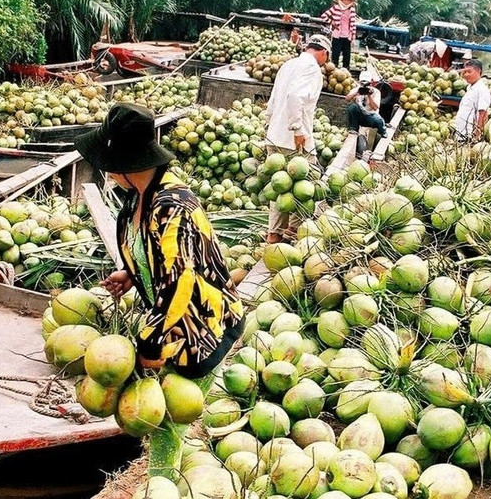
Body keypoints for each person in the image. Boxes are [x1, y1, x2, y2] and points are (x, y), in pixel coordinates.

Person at [75, 103, 243, 379]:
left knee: (167, 417)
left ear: (122, 164)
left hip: (202, 330)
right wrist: (134, 273)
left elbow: (179, 283)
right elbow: (161, 256)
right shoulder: (138, 196)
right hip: (171, 325)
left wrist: (149, 345)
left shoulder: (172, 207)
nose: (107, 173)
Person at [263, 34, 330, 244]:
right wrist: (298, 128)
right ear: (323, 52)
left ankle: (274, 234)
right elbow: (294, 96)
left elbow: (274, 99)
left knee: (281, 188)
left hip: (275, 136)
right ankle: (293, 231)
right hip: (294, 138)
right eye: (327, 57)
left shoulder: (289, 65)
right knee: (306, 186)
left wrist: (268, 124)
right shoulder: (312, 68)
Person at [453, 59, 491, 143]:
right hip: (461, 133)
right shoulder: (470, 88)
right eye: (465, 72)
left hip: (469, 136)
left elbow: (483, 113)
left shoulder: (482, 89)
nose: (466, 75)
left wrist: (477, 133)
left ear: (479, 72)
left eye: (469, 72)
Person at [320, 0, 357, 69]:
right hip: (337, 36)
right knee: (335, 55)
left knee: (347, 56)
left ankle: (346, 71)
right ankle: (333, 70)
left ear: (350, 1)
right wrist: (332, 22)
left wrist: (353, 38)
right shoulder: (336, 8)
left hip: (347, 36)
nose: (346, 2)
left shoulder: (352, 10)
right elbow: (324, 16)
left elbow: (353, 24)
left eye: (348, 0)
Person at [345, 70, 387, 138]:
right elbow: (347, 99)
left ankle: (382, 131)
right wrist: (355, 94)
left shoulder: (376, 92)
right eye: (362, 84)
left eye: (367, 84)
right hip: (360, 116)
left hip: (370, 116)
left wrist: (369, 95)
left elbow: (375, 108)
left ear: (371, 84)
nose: (364, 86)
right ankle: (353, 128)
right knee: (352, 107)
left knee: (379, 121)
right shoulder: (357, 90)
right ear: (359, 83)